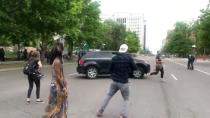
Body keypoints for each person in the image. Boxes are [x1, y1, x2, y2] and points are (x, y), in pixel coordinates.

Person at [96, 44, 137, 118]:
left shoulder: (114, 58)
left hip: (114, 82)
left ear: (120, 49)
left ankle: (100, 111)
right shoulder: (129, 58)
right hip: (124, 82)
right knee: (126, 99)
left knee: (108, 96)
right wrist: (128, 71)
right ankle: (123, 115)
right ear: (126, 50)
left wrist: (113, 74)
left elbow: (110, 69)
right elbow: (135, 68)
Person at [43, 42, 68, 118]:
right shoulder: (57, 61)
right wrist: (63, 86)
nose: (63, 52)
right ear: (60, 52)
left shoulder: (58, 61)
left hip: (56, 84)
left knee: (57, 103)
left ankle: (55, 116)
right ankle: (50, 116)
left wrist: (64, 81)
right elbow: (57, 76)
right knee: (57, 104)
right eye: (62, 50)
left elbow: (60, 74)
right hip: (57, 86)